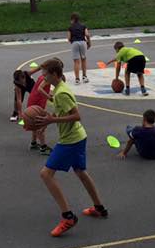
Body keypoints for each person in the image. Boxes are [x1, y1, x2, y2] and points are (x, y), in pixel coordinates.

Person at [32, 57, 108, 237]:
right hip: (79, 136)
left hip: (71, 140)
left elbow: (76, 116)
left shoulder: (62, 93)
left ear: (54, 74)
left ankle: (68, 217)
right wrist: (49, 120)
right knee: (81, 172)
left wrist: (52, 120)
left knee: (46, 174)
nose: (43, 77)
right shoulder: (58, 90)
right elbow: (60, 110)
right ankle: (99, 208)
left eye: (45, 74)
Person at [26, 72, 52, 155]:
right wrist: (49, 97)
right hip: (37, 101)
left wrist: (48, 94)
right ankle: (43, 147)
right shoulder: (47, 78)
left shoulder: (42, 76)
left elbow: (41, 88)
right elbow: (40, 89)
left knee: (35, 121)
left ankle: (33, 143)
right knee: (41, 123)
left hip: (34, 99)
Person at [67, 13, 91, 84]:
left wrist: (72, 42)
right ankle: (84, 77)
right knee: (83, 59)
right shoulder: (83, 26)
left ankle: (77, 79)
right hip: (83, 42)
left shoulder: (70, 27)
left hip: (75, 43)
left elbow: (68, 38)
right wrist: (89, 42)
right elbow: (87, 34)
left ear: (73, 19)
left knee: (76, 62)